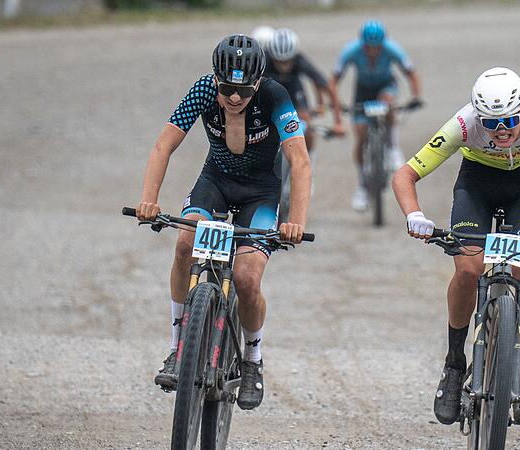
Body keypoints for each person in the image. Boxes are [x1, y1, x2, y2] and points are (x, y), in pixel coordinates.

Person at [391, 67, 520, 425]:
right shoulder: (463, 124)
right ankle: (454, 364)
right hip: (477, 185)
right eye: (491, 123)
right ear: (479, 118)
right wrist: (414, 215)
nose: (501, 130)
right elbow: (405, 175)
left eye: (509, 120)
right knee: (468, 268)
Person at [135, 34, 311, 411]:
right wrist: (148, 199)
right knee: (185, 244)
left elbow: (299, 161)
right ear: (215, 79)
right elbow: (163, 145)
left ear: (258, 83)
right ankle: (177, 348)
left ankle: (252, 359)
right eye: (227, 88)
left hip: (260, 193)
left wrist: (295, 221)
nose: (234, 97)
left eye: (243, 90)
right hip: (215, 182)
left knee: (247, 278)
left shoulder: (275, 95)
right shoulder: (203, 89)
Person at [330, 19, 423, 211]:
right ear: (362, 44)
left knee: (387, 103)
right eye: (368, 48)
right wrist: (336, 102)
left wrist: (416, 96)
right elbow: (333, 80)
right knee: (361, 135)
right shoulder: (351, 51)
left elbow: (411, 72)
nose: (373, 51)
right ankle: (362, 185)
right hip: (363, 91)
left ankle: (393, 148)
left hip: (386, 86)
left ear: (383, 44)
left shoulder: (393, 49)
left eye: (377, 48)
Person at [265, 28, 345, 160]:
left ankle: (309, 160)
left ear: (293, 56)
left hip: (293, 93)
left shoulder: (299, 60)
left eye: (287, 61)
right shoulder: (264, 61)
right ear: (271, 57)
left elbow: (327, 87)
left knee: (305, 124)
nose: (284, 66)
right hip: (270, 95)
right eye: (279, 61)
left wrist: (338, 122)